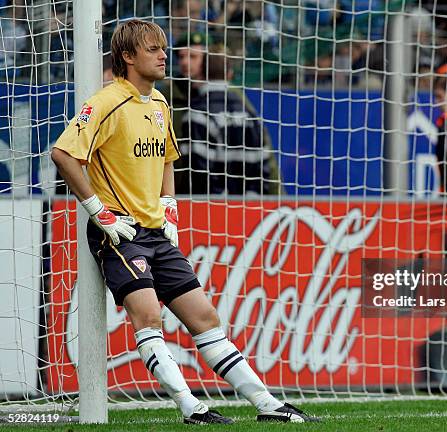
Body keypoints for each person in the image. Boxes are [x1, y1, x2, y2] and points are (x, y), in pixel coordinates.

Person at [51, 19, 317, 425]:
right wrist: (98, 212)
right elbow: (64, 155)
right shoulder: (106, 102)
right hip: (120, 233)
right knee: (149, 318)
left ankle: (267, 404)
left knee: (205, 319)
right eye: (153, 48)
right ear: (127, 56)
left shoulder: (159, 103)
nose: (163, 55)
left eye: (163, 47)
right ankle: (192, 407)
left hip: (156, 231)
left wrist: (169, 205)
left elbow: (167, 158)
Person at [175, 43, 281, 195]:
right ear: (230, 74)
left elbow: (197, 174)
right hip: (247, 210)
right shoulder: (248, 113)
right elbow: (263, 169)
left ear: (201, 73)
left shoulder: (197, 113)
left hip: (209, 211)